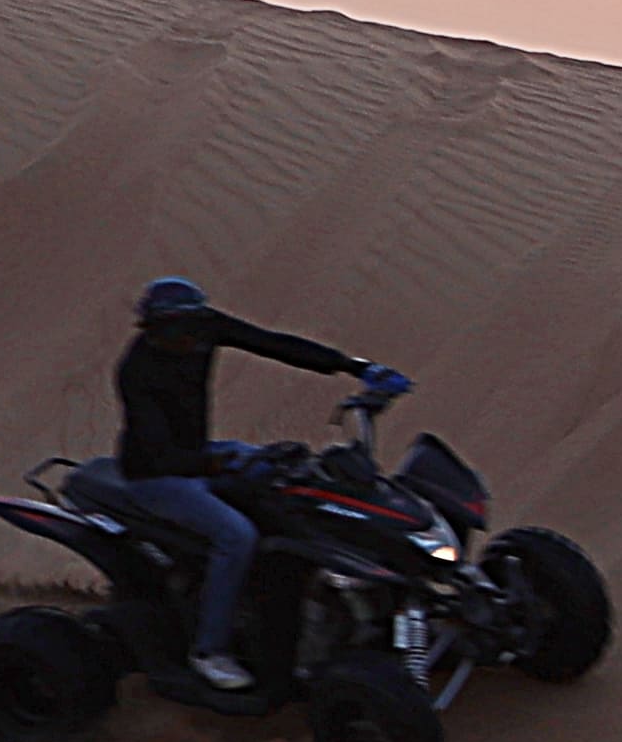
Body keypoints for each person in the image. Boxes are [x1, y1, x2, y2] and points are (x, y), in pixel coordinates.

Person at [95, 278, 402, 695]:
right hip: (156, 476)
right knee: (236, 536)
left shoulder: (204, 328)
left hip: (201, 454)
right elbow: (158, 451)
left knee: (299, 478)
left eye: (194, 326)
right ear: (155, 329)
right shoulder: (137, 371)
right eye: (179, 331)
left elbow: (272, 343)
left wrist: (355, 367)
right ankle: (210, 652)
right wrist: (219, 463)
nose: (191, 339)